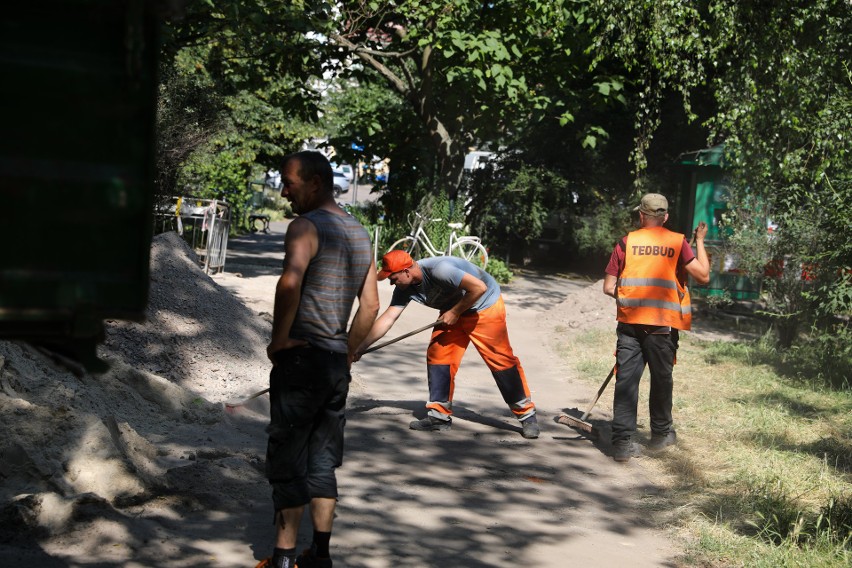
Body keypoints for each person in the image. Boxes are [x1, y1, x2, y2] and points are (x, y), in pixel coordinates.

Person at [256, 151, 380, 568]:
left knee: (289, 459)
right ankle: (319, 556)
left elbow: (290, 282)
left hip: (302, 359)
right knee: (323, 461)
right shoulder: (360, 234)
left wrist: (278, 340)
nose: (284, 190)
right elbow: (371, 307)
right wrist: (348, 351)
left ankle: (284, 558)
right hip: (332, 366)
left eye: (289, 182)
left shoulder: (305, 226)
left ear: (315, 183)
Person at [356, 250, 540, 439]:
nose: (391, 283)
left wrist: (455, 312)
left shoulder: (440, 270)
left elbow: (479, 288)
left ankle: (527, 415)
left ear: (407, 272)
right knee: (438, 356)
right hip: (454, 311)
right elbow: (388, 318)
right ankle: (439, 416)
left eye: (393, 278)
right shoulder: (405, 289)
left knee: (500, 360)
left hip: (483, 307)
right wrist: (360, 348)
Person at [603, 193, 710, 463]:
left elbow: (607, 287)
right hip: (662, 326)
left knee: (627, 380)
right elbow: (704, 276)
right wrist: (699, 240)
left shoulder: (626, 242)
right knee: (662, 379)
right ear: (665, 217)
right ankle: (661, 435)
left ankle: (622, 444)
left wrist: (632, 297)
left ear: (641, 216)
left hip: (629, 324)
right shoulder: (678, 242)